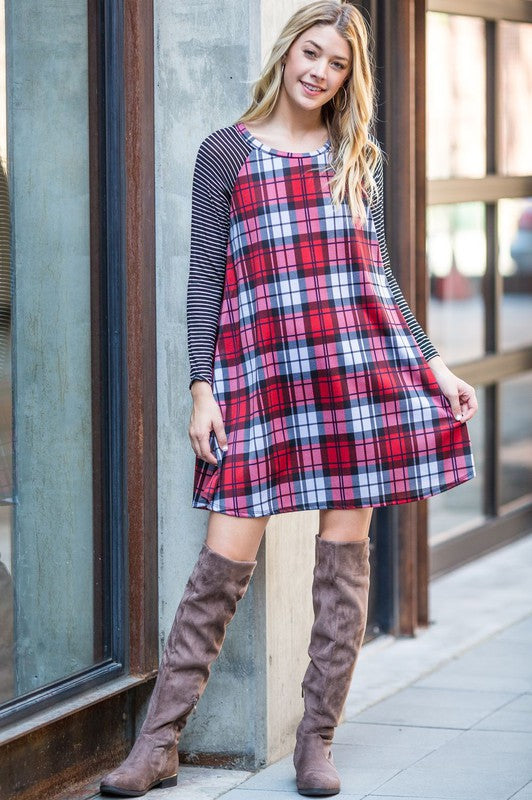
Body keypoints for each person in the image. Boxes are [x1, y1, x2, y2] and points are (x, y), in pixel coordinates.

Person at [100, 1, 478, 797]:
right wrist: (203, 386)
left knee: (342, 566)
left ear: (350, 77)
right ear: (286, 51)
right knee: (220, 566)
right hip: (261, 382)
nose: (321, 71)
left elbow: (379, 281)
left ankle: (316, 743)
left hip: (352, 379)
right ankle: (158, 744)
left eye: (338, 64)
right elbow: (206, 275)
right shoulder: (226, 153)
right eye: (313, 53)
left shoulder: (354, 156)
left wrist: (435, 366)